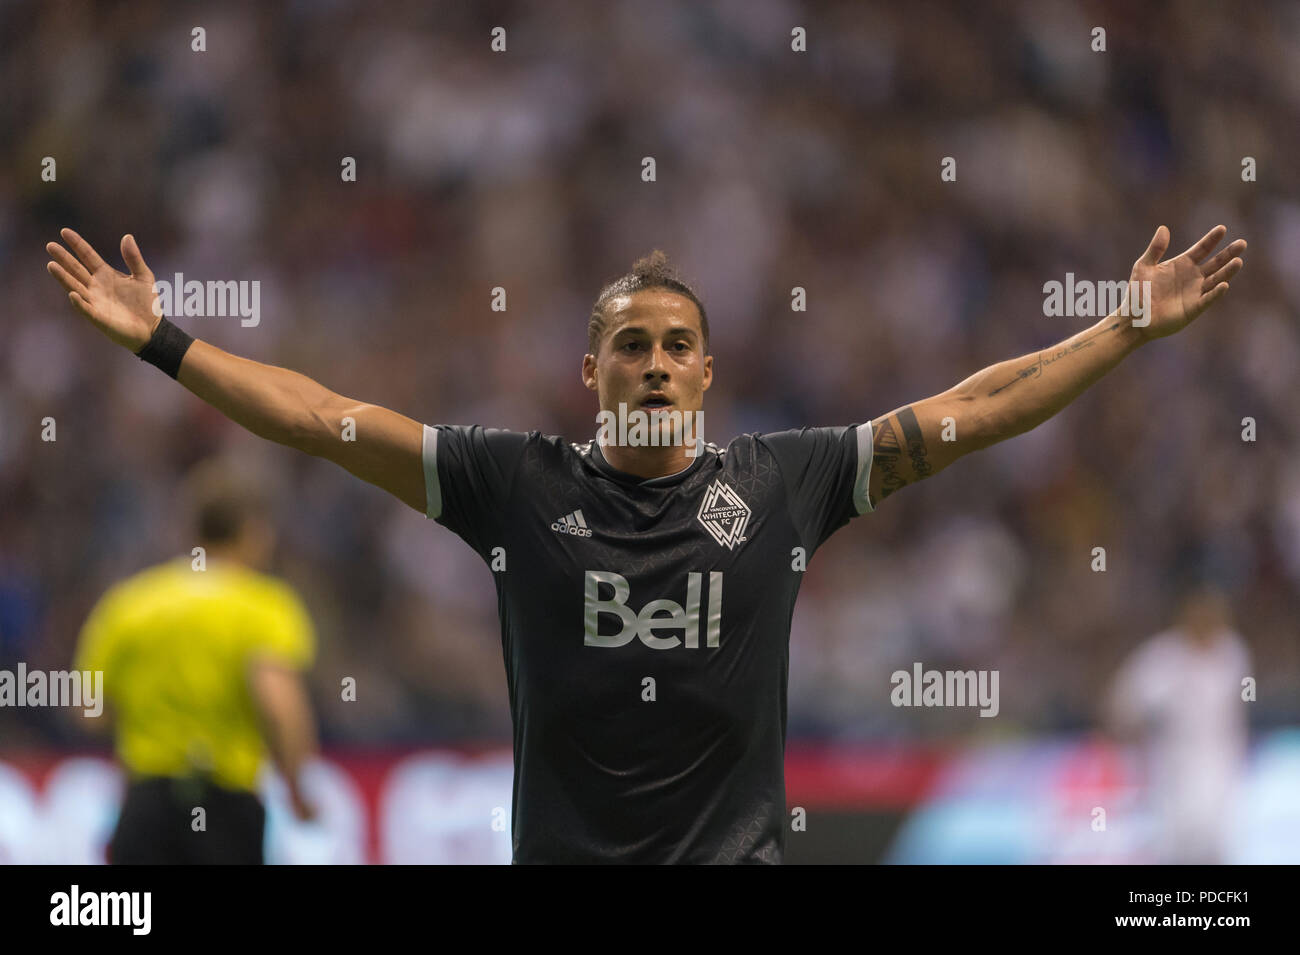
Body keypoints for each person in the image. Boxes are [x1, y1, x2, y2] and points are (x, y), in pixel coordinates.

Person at [46, 223, 1244, 862]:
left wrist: (1124, 326)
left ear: (708, 371)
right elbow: (317, 419)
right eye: (632, 344)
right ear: (592, 371)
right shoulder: (509, 482)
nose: (656, 361)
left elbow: (977, 410)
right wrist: (167, 342)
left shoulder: (785, 480)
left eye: (677, 343)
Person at [75, 458, 319, 864]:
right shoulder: (263, 607)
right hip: (224, 805)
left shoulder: (130, 603)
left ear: (192, 529)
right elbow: (280, 705)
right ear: (252, 531)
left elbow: (89, 710)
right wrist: (296, 790)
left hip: (145, 806)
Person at [1107, 582, 1252, 864]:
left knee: (1216, 847)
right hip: (1172, 772)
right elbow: (1122, 707)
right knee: (1173, 849)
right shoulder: (1161, 658)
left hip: (1221, 766)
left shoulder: (1233, 652)